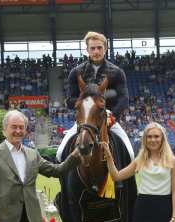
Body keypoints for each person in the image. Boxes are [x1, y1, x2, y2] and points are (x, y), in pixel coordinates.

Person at [56, 31, 133, 162]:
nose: (96, 51)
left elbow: (124, 99)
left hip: (109, 119)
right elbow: (70, 100)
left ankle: (123, 182)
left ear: (105, 48)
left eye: (99, 48)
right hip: (85, 121)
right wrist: (87, 104)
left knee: (130, 155)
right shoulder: (76, 72)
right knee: (59, 154)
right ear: (87, 50)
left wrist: (111, 115)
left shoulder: (117, 72)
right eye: (92, 48)